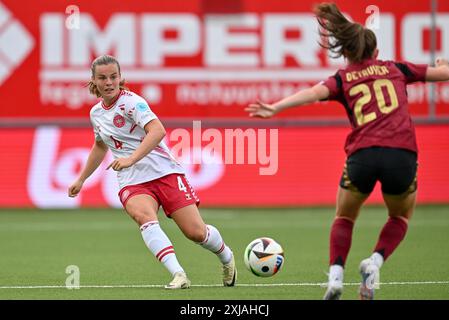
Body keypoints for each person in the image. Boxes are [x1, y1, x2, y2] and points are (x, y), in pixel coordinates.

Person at [246, 3, 449, 300]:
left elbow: (312, 93)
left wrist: (275, 107)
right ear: (375, 53)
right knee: (400, 217)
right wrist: (443, 65)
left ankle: (336, 278)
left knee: (345, 216)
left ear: (348, 53)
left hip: (363, 156)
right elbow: (442, 74)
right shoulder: (397, 69)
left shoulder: (343, 78)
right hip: (401, 155)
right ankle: (374, 263)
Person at [68, 54, 236, 289]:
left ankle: (227, 258)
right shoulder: (96, 113)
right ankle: (178, 274)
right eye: (103, 78)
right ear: (93, 81)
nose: (108, 82)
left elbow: (157, 131)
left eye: (113, 77)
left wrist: (131, 158)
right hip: (132, 180)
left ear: (120, 78)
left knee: (196, 233)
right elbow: (100, 145)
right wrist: (81, 179)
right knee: (144, 218)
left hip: (164, 172)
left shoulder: (132, 103)